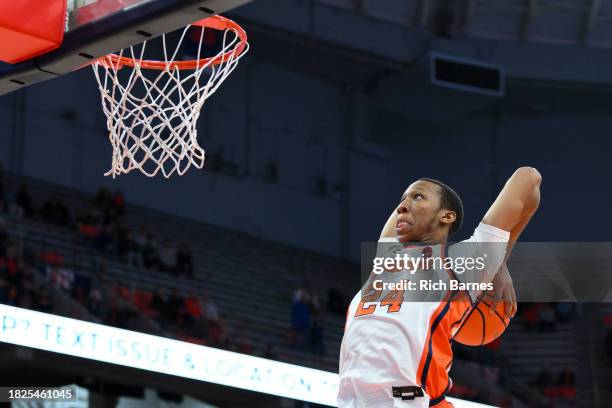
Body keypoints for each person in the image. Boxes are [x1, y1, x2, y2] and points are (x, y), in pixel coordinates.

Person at [338, 167, 541, 408]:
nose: (402, 206)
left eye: (418, 197)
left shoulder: (464, 261)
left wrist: (500, 258)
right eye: (403, 199)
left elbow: (529, 178)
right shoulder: (387, 255)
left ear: (447, 216)